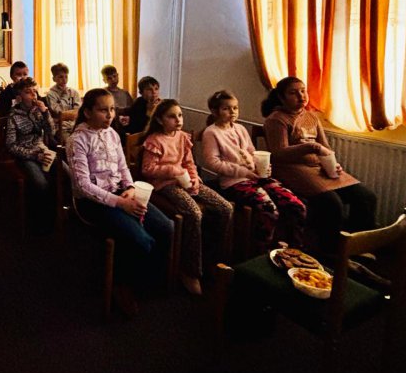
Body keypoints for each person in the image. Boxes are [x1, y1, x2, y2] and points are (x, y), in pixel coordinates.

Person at [68, 89, 174, 316]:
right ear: (87, 112)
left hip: (120, 193)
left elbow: (123, 168)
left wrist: (130, 188)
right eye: (103, 110)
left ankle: (149, 277)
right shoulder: (78, 140)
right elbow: (83, 186)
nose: (110, 115)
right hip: (93, 202)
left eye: (112, 109)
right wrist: (119, 203)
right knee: (141, 240)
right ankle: (121, 283)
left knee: (166, 227)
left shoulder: (112, 134)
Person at [261, 77, 378, 254]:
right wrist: (311, 147)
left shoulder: (311, 117)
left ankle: (355, 247)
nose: (301, 96)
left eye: (303, 91)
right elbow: (279, 153)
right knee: (333, 204)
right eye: (293, 93)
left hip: (319, 168)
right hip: (292, 169)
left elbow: (325, 147)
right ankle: (331, 253)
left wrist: (333, 164)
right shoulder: (276, 120)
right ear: (281, 97)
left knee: (366, 197)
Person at [140, 99, 232, 296]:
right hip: (164, 185)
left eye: (180, 115)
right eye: (172, 116)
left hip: (186, 181)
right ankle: (190, 270)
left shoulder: (182, 137)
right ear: (160, 119)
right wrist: (172, 170)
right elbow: (147, 169)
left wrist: (194, 178)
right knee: (194, 213)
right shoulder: (155, 140)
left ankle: (211, 258)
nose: (178, 120)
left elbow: (189, 162)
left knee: (225, 208)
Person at [202, 89, 306, 249]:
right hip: (234, 182)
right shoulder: (211, 132)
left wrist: (264, 166)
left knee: (295, 204)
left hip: (256, 177)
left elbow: (253, 153)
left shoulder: (240, 129)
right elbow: (213, 163)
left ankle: (294, 248)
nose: (232, 112)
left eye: (235, 108)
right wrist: (244, 172)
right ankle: (262, 250)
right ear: (215, 111)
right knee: (269, 210)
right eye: (226, 108)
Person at [4, 77, 58, 232]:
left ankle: (58, 212)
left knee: (67, 173)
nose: (34, 95)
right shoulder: (13, 116)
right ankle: (39, 221)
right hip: (25, 155)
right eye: (28, 92)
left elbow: (51, 132)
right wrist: (34, 156)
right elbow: (11, 145)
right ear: (20, 97)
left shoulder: (38, 111)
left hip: (42, 149)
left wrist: (45, 112)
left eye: (35, 91)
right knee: (41, 184)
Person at [101, 64, 133, 130]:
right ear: (104, 80)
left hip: (125, 125)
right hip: (110, 125)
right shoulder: (103, 94)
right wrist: (118, 117)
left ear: (118, 76)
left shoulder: (125, 93)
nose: (113, 79)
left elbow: (132, 109)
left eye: (114, 76)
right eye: (109, 78)